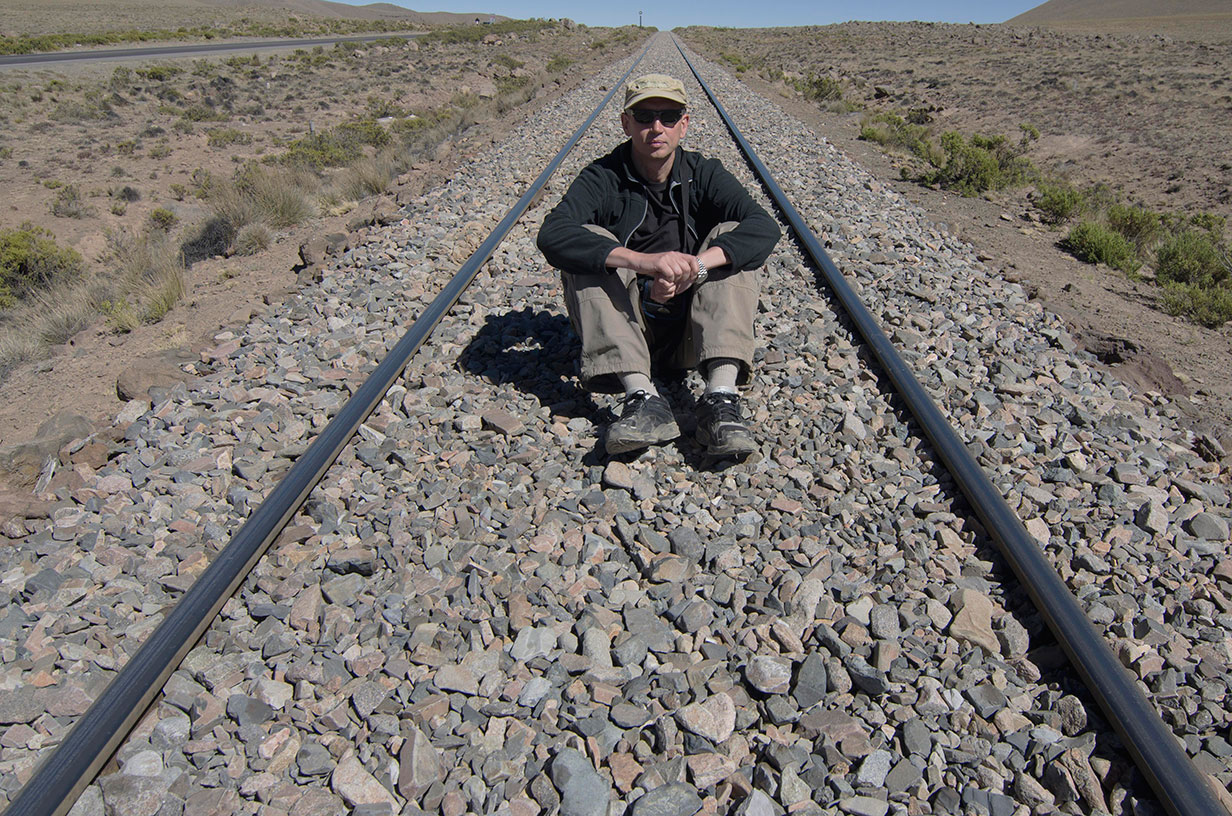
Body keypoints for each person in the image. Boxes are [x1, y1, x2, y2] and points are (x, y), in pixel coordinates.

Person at [537, 73, 780, 460]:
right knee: (588, 243)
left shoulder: (704, 173)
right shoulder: (603, 177)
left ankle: (720, 400)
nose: (656, 127)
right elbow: (553, 234)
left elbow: (764, 227)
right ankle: (642, 399)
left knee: (731, 236)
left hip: (694, 334)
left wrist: (695, 268)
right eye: (644, 116)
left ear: (684, 124)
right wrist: (644, 263)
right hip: (629, 332)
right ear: (626, 123)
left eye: (668, 117)